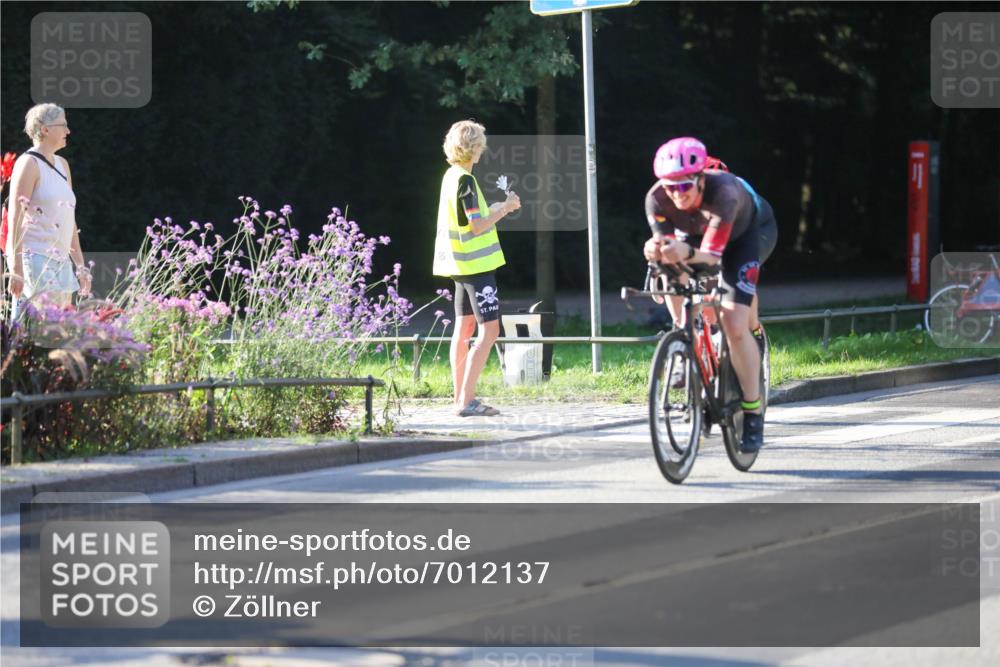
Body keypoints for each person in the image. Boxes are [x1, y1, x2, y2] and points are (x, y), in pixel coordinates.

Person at [643, 137, 777, 452]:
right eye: (670, 187)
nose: (677, 194)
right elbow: (667, 250)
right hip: (698, 230)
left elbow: (713, 259)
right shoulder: (656, 198)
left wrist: (685, 253)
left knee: (733, 323)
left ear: (701, 180)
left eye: (685, 186)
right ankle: (683, 343)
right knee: (670, 268)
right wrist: (655, 253)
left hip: (745, 236)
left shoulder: (726, 193)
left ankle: (753, 411)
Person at [433, 120, 520, 417]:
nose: (483, 149)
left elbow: (470, 218)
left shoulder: (451, 177)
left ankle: (459, 397)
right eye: (481, 144)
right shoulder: (466, 181)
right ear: (473, 147)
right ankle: (467, 401)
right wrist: (506, 209)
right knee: (490, 331)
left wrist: (496, 208)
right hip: (477, 267)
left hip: (459, 264)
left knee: (463, 330)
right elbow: (476, 226)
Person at [5, 103, 90, 321]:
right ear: (45, 129)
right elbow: (16, 215)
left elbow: (69, 219)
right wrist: (15, 268)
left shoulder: (63, 165)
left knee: (57, 334)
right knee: (35, 333)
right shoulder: (28, 163)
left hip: (61, 262)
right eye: (63, 125)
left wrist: (80, 266)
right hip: (35, 260)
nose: (68, 131)